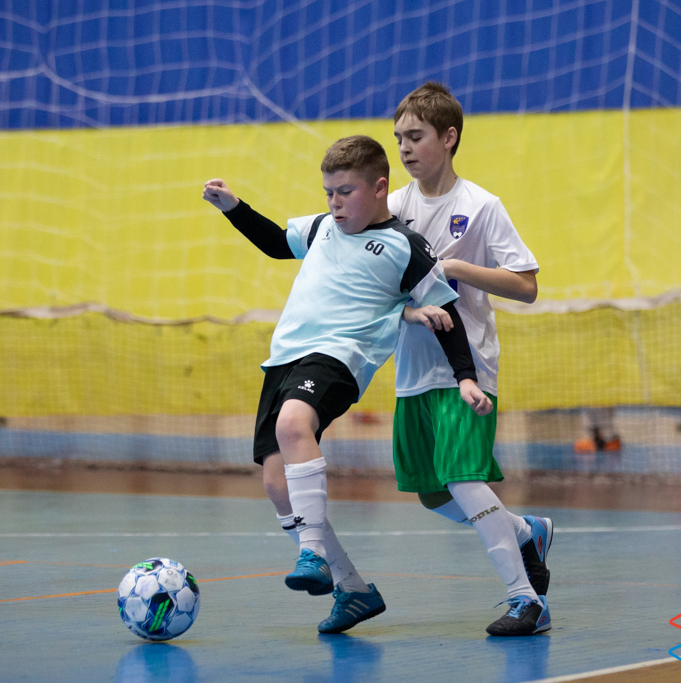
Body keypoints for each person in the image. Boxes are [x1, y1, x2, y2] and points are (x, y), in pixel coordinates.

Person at [202, 135, 493, 634]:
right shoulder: (321, 228)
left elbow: (445, 312)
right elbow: (277, 243)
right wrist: (234, 208)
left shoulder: (403, 245)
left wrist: (465, 377)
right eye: (329, 193)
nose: (335, 203)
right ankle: (353, 590)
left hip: (340, 355)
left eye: (345, 192)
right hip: (285, 358)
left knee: (294, 425)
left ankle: (312, 552)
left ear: (379, 188)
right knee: (276, 484)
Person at [388, 81, 551, 636]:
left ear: (449, 137)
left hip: (468, 370)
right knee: (432, 493)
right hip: (412, 371)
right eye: (399, 138)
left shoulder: (481, 206)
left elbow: (526, 285)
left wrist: (457, 269)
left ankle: (526, 601)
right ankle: (526, 531)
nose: (405, 148)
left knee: (462, 478)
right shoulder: (393, 209)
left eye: (416, 136)